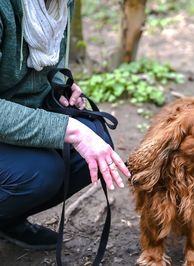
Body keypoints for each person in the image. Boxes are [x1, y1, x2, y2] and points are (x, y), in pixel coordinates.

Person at [0, 0, 131, 250]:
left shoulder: (59, 3)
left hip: (17, 113)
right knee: (39, 173)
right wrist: (70, 130)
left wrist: (59, 83)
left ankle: (8, 219)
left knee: (93, 146)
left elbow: (44, 62)